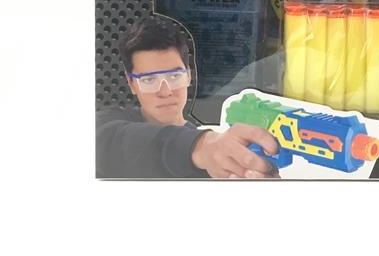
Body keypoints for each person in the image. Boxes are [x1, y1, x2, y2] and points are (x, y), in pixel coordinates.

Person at [96, 17, 279, 178]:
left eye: (174, 76)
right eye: (149, 80)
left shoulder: (218, 154)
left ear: (189, 76)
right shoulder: (106, 125)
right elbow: (107, 142)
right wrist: (201, 148)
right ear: (131, 83)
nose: (165, 92)